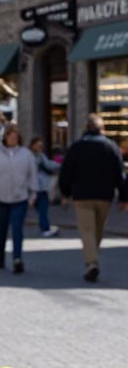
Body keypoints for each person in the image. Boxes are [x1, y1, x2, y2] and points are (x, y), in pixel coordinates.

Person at [59, 113, 128, 281]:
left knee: (87, 231)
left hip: (82, 196)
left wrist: (65, 193)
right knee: (97, 230)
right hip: (104, 196)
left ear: (86, 128)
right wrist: (123, 197)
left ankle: (92, 262)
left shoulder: (77, 147)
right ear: (101, 129)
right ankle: (92, 261)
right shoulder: (111, 147)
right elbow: (120, 174)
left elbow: (66, 172)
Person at [0, 123, 38, 273]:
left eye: (15, 136)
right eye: (10, 136)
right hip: (0, 198)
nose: (13, 139)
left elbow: (32, 175)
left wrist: (33, 193)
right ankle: (1, 253)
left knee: (17, 229)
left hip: (20, 198)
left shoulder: (26, 154)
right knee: (1, 229)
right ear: (5, 137)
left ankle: (17, 258)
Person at [29, 136, 60, 238]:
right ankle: (45, 228)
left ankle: (45, 226)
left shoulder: (40, 156)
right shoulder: (30, 157)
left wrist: (59, 165)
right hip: (36, 186)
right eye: (38, 145)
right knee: (43, 207)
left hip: (42, 186)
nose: (40, 147)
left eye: (41, 145)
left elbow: (49, 164)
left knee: (42, 208)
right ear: (33, 145)